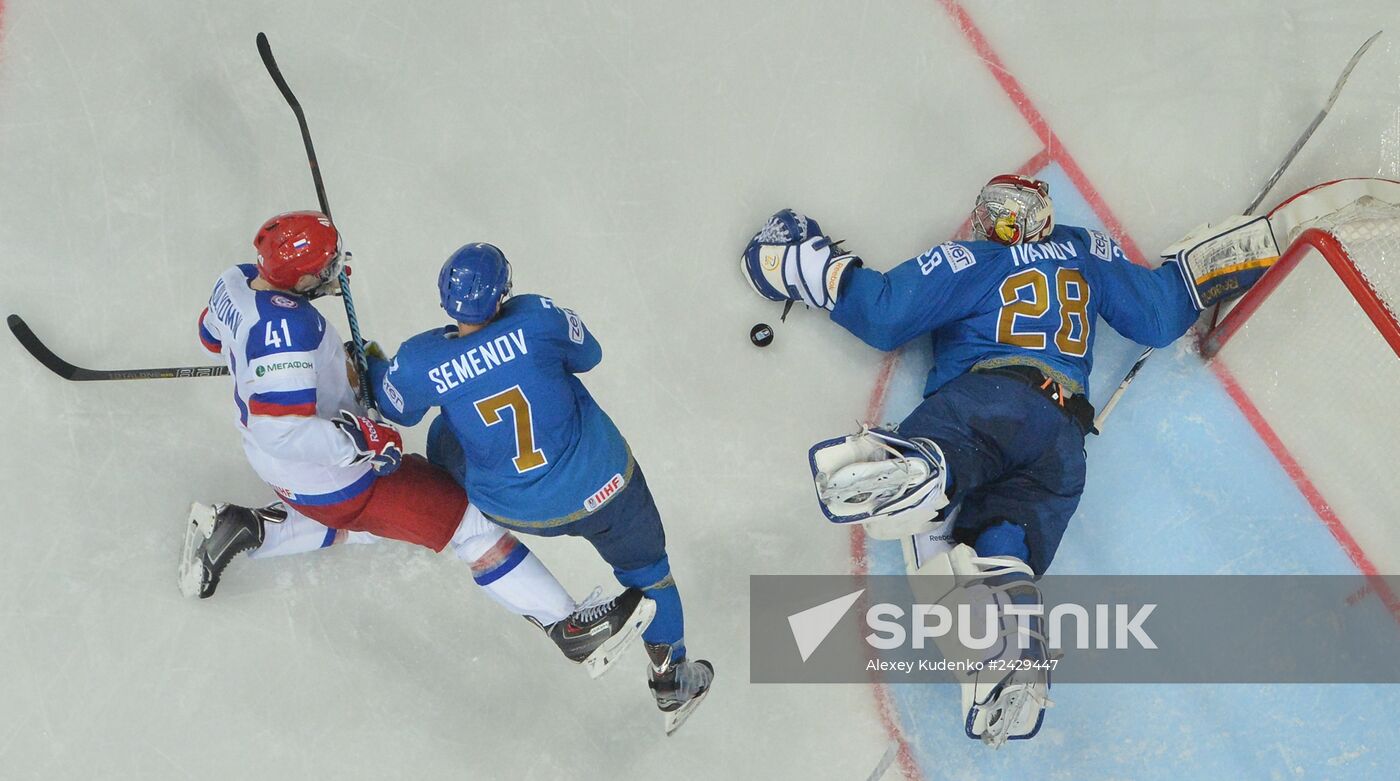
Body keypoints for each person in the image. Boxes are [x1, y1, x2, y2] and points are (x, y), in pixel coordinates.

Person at [741, 176, 1254, 747]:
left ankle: (920, 469)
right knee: (1005, 547)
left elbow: (885, 313)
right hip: (1062, 448)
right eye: (999, 216)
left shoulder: (980, 259)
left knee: (953, 456)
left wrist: (794, 262)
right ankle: (1011, 659)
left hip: (994, 404)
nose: (1003, 227)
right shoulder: (1083, 248)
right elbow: (1158, 316)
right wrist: (1215, 267)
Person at [182, 211, 653, 678]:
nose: (336, 270)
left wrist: (305, 370)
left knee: (384, 521)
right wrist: (359, 438)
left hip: (283, 472)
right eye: (325, 268)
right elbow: (282, 431)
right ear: (299, 277)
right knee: (467, 527)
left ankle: (243, 527)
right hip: (334, 477)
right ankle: (566, 628)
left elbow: (211, 335)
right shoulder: (290, 332)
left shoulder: (236, 282)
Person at [367, 243, 713, 734]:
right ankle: (672, 679)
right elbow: (589, 353)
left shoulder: (421, 359)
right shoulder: (535, 316)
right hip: (605, 488)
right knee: (650, 571)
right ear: (503, 290)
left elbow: (393, 405)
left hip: (516, 507)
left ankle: (467, 523)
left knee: (446, 429)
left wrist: (374, 365)